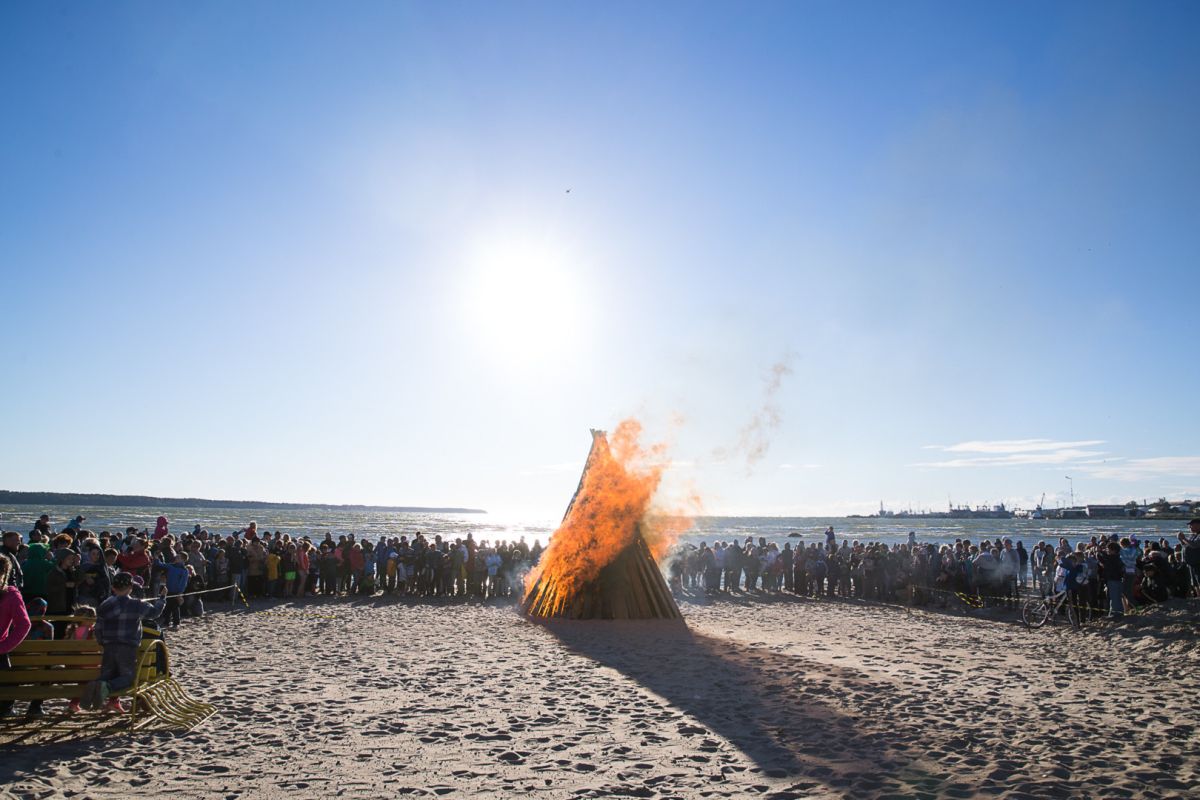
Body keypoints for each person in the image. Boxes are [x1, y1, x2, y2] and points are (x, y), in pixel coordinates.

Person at [82, 572, 167, 713]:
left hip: (109, 646)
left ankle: (97, 684)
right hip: (127, 646)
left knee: (107, 673)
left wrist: (102, 641)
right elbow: (154, 613)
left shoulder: (105, 604)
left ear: (113, 588)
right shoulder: (136, 604)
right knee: (128, 677)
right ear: (130, 588)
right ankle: (107, 687)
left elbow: (98, 627)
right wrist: (162, 598)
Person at [0, 556, 33, 718]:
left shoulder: (10, 595)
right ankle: (6, 708)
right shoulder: (11, 595)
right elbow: (24, 624)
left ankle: (6, 708)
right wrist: (4, 646)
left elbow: (24, 625)